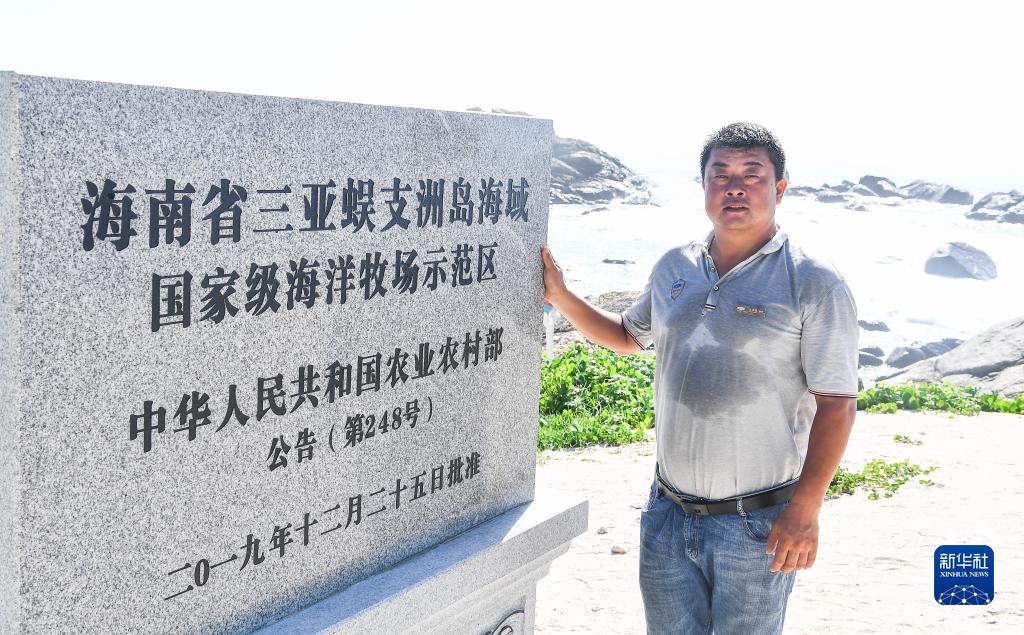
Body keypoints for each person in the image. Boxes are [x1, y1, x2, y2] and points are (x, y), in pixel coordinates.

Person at [540, 122, 859, 634]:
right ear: (704, 185)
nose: (735, 186)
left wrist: (806, 509)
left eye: (752, 174)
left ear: (779, 188)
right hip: (667, 513)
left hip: (758, 523)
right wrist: (560, 296)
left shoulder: (814, 281)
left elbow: (838, 404)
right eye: (721, 174)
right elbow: (628, 335)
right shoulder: (675, 266)